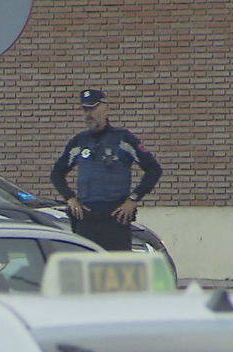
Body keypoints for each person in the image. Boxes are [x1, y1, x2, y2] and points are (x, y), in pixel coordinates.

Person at [50, 89, 163, 251]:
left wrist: (132, 200)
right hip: (86, 220)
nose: (89, 114)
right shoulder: (79, 141)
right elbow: (57, 173)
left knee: (116, 271)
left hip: (115, 219)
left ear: (105, 109)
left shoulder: (123, 139)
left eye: (93, 108)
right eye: (85, 109)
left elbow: (153, 169)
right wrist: (70, 198)